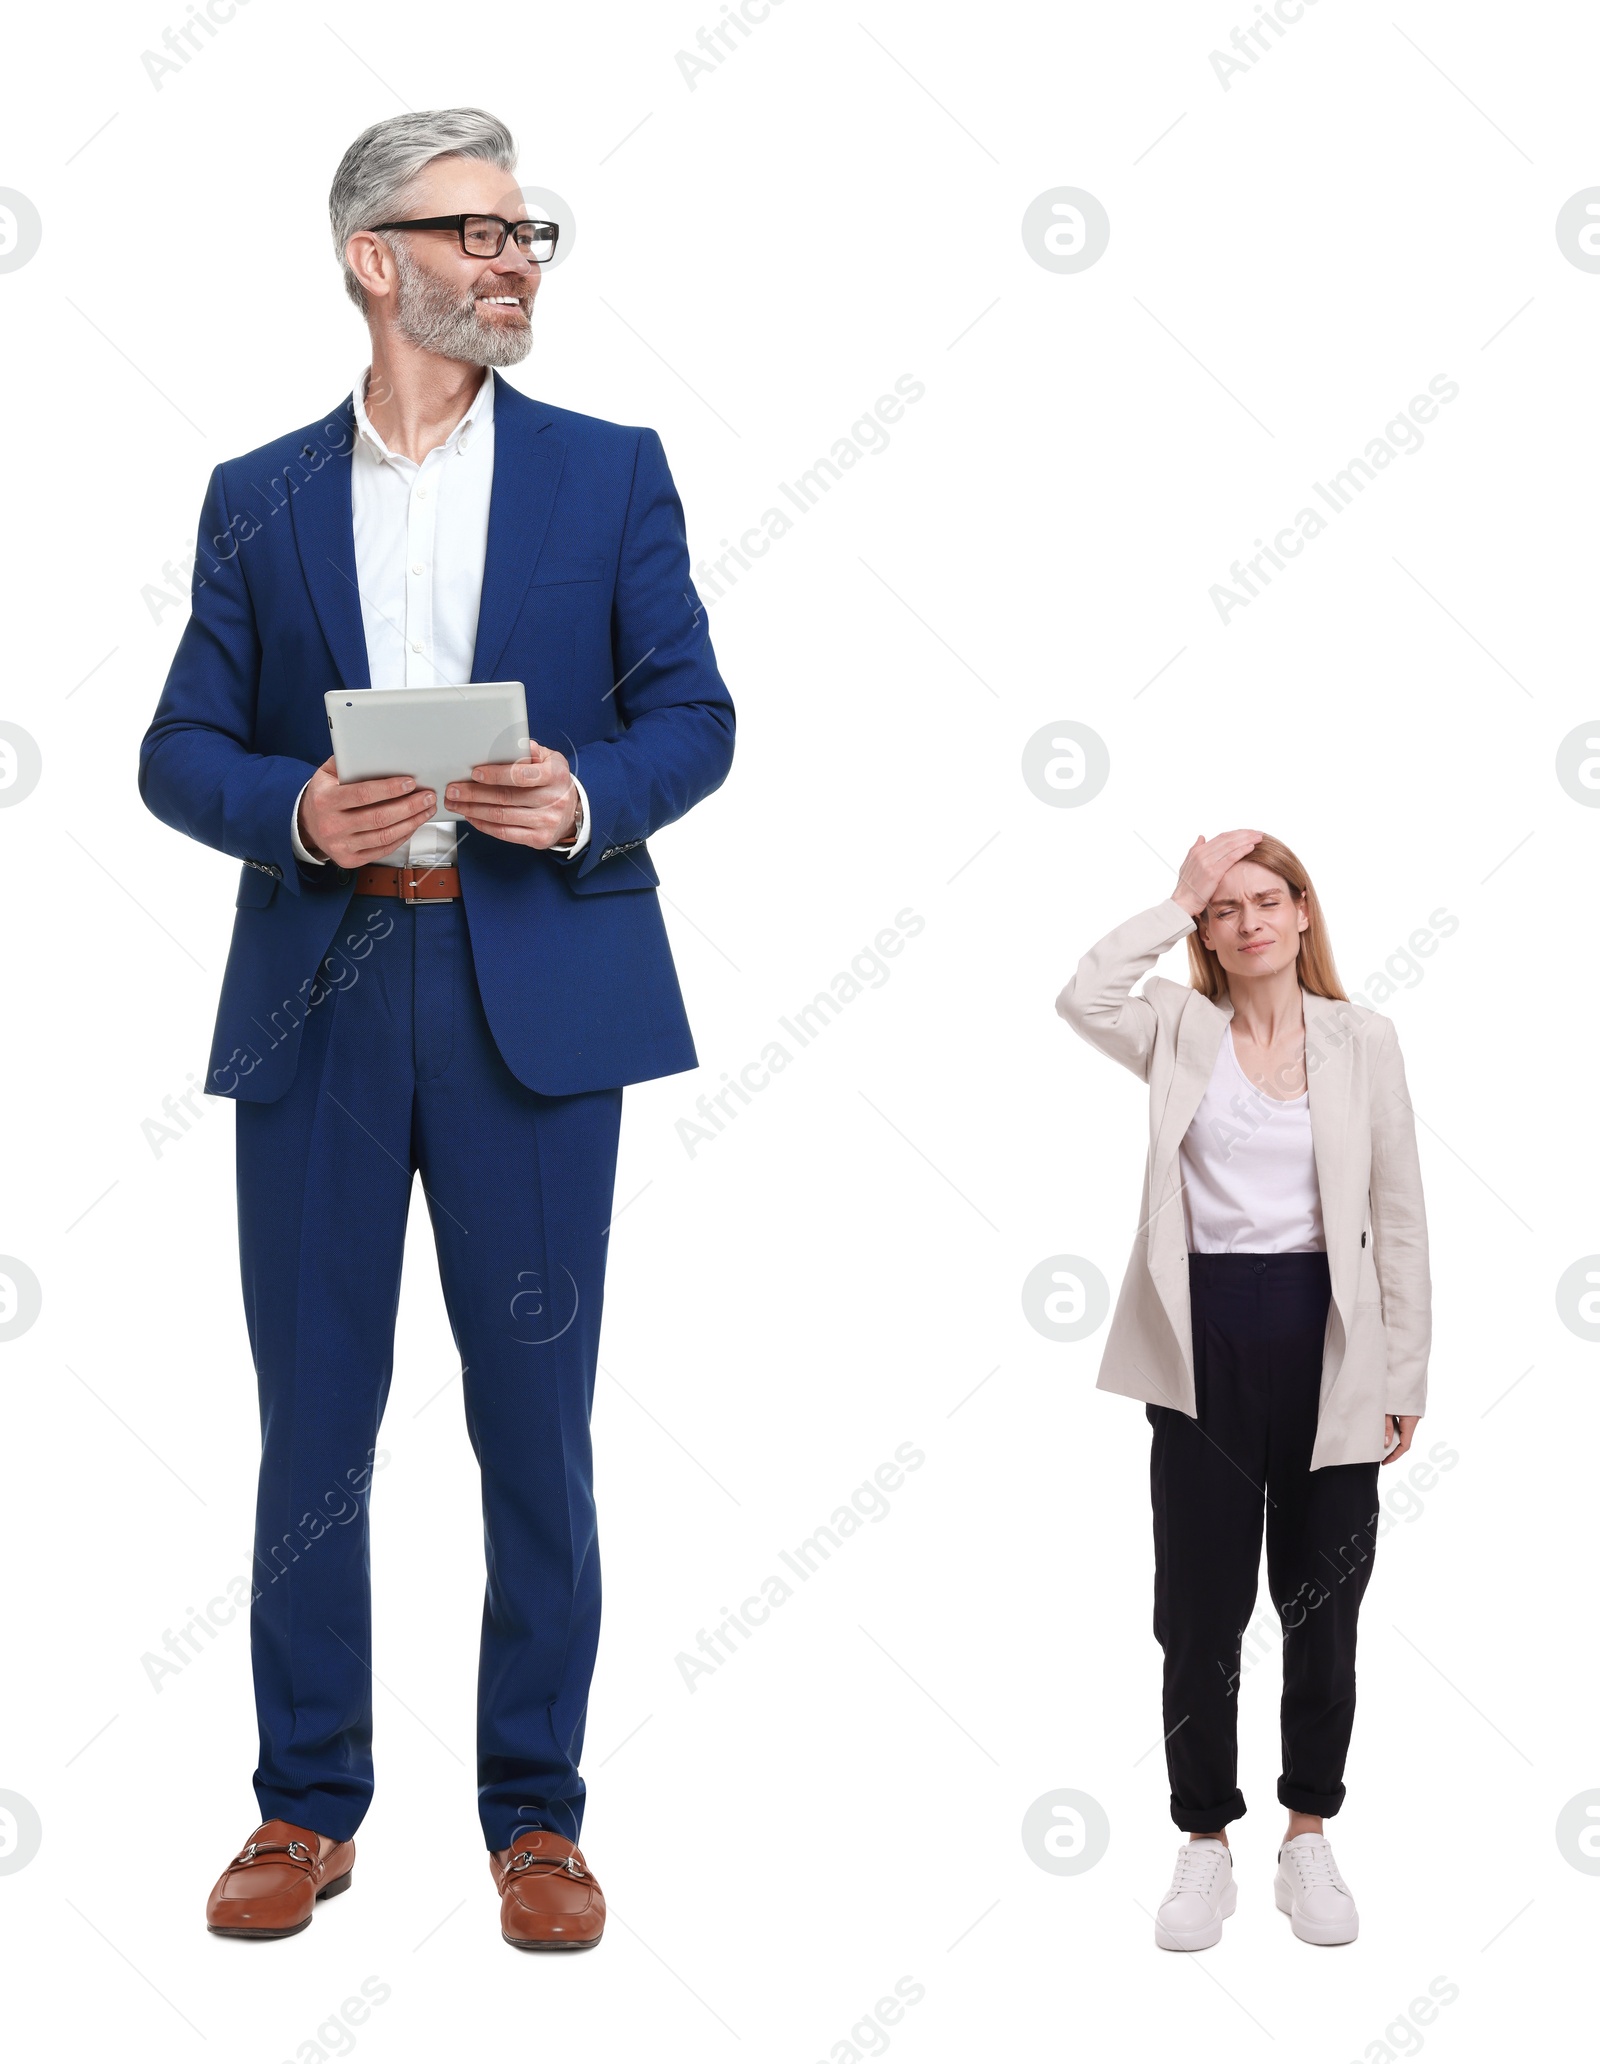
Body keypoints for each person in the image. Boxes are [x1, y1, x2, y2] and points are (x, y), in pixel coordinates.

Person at [138, 107, 735, 1951]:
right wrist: (294, 812)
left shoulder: (611, 472)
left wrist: (578, 795)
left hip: (534, 1000)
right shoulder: (259, 491)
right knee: (312, 1425)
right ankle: (302, 1802)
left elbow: (695, 714)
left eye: (527, 232)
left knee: (532, 1426)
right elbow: (181, 744)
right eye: (475, 231)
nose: (512, 261)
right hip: (324, 996)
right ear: (369, 258)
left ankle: (535, 1816)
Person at [1055, 830, 1430, 1951]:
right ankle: (1203, 1841)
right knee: (1199, 1610)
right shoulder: (1176, 1026)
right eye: (1226, 910)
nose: (1250, 922)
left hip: (1332, 1342)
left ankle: (1306, 1832)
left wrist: (1402, 1371)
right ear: (1207, 931)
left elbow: (1399, 1215)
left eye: (1269, 900)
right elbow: (1081, 993)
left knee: (1324, 1606)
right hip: (1203, 1343)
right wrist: (1172, 899)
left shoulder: (1364, 1040)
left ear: (1303, 914)